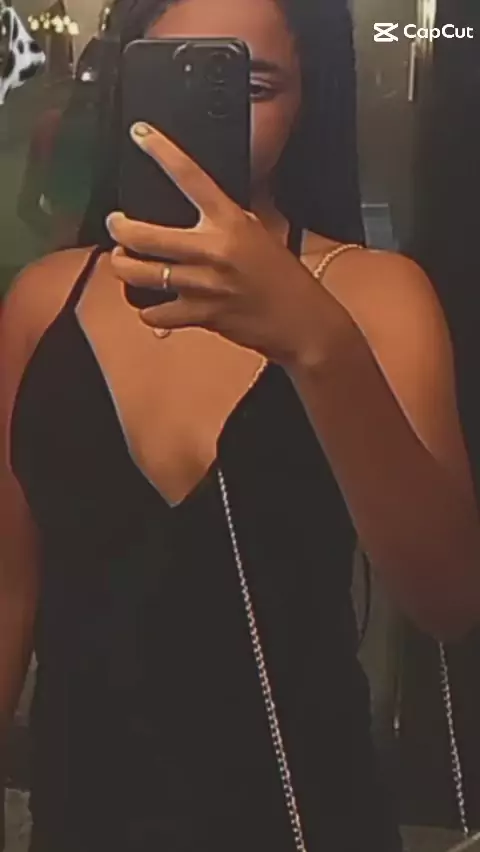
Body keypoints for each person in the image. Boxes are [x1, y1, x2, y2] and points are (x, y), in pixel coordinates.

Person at [1, 0, 479, 850]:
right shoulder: (45, 301)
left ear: (308, 100)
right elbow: (10, 590)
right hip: (82, 814)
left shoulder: (377, 298)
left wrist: (319, 344)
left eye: (248, 87)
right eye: (167, 79)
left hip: (310, 815)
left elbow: (446, 599)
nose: (197, 125)